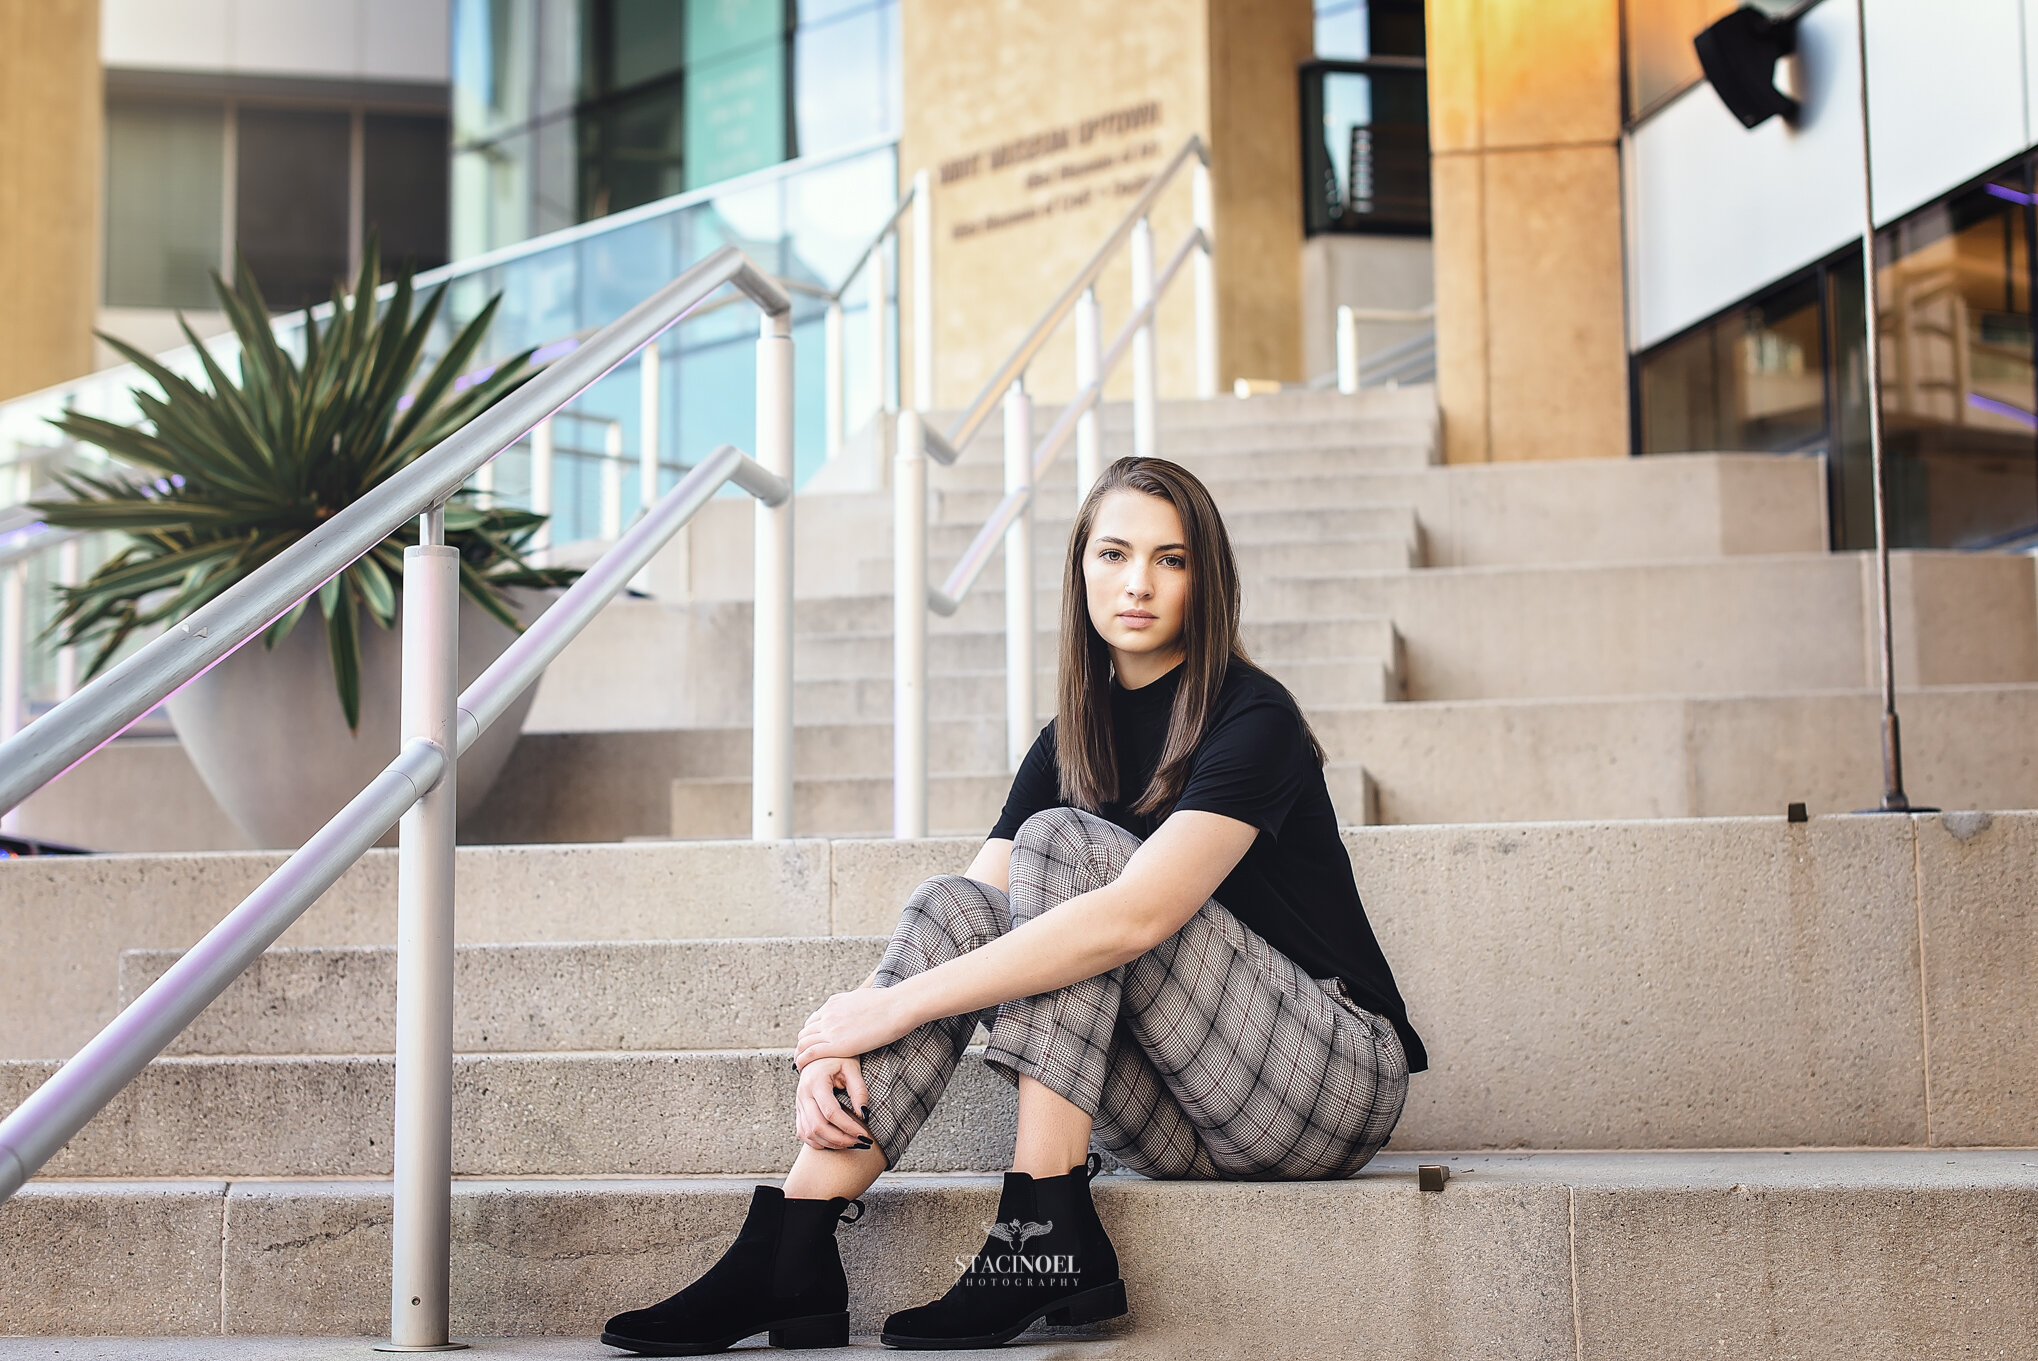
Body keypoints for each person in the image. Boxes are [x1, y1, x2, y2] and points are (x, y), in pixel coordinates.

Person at [600, 455, 1427, 1355]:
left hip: (1326, 1080)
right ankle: (792, 1246)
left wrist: (894, 1006)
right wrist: (841, 1037)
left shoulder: (1251, 717)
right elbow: (969, 913)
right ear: (1080, 570)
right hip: (1180, 1115)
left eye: (1171, 559)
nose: (1139, 582)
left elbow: (1136, 917)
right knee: (955, 902)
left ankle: (1041, 1231)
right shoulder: (1074, 733)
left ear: (1207, 579)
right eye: (1113, 554)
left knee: (1064, 850)